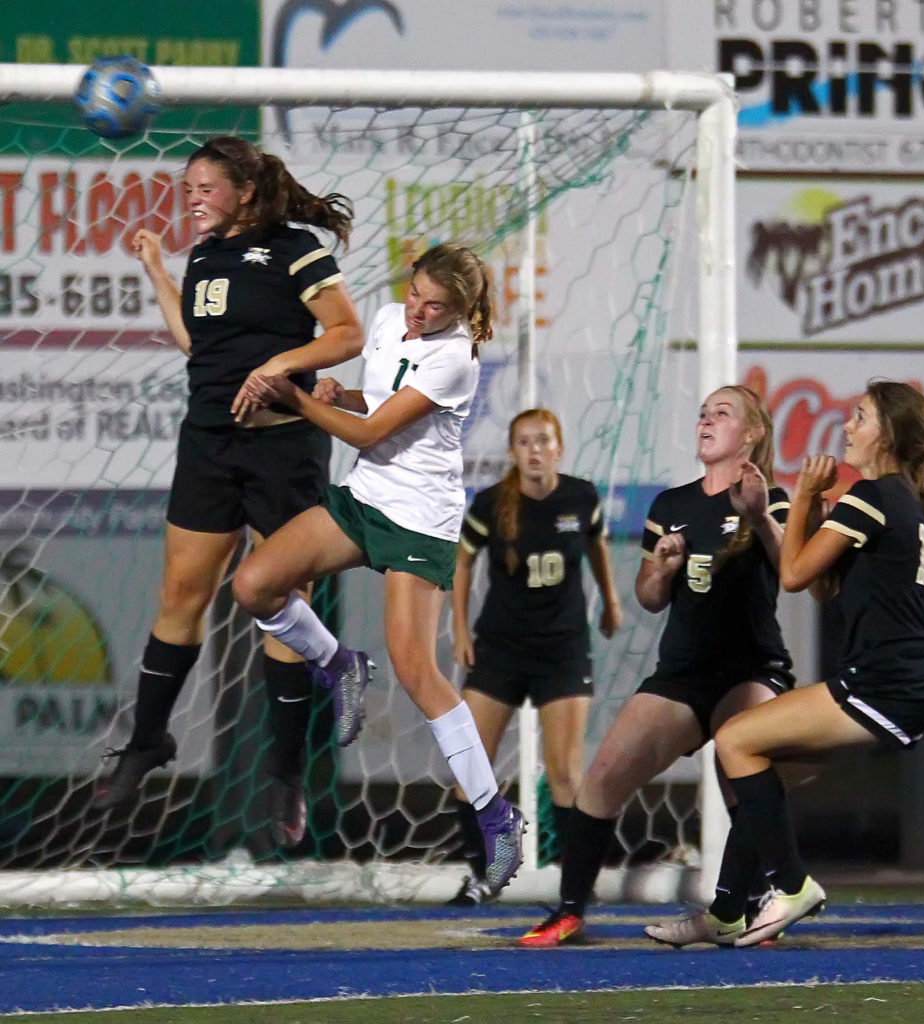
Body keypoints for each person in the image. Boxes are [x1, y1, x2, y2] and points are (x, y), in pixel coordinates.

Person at [93, 136, 364, 853]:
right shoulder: (204, 256)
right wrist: (157, 271)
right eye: (187, 189)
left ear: (245, 189)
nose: (192, 198)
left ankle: (283, 771)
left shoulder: (294, 248)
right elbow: (198, 343)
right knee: (180, 595)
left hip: (283, 448)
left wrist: (281, 364)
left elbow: (345, 332)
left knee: (278, 601)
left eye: (205, 186)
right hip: (209, 442)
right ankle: (147, 743)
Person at [230, 243, 526, 897]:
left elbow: (369, 433)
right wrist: (343, 392)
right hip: (366, 499)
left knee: (417, 671)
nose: (417, 310)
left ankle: (494, 814)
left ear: (463, 310)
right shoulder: (392, 318)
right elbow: (380, 405)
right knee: (255, 584)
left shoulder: (455, 358)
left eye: (435, 305)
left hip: (418, 520)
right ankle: (338, 663)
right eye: (415, 293)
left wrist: (300, 398)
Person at [519, 385, 795, 948]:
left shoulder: (774, 498)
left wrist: (760, 517)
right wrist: (661, 570)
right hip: (684, 674)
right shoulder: (671, 505)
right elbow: (648, 596)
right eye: (702, 413)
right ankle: (570, 910)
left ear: (752, 433)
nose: (706, 421)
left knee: (745, 776)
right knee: (601, 780)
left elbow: (794, 569)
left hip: (752, 669)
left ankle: (750, 902)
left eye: (722, 413)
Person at [705, 380, 924, 947]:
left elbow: (793, 577)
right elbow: (822, 587)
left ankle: (792, 884)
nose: (846, 426)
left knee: (733, 741)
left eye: (860, 416)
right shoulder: (897, 499)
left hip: (882, 684)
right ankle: (728, 909)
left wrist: (800, 499)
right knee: (756, 772)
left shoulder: (871, 496)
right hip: (904, 687)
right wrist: (796, 515)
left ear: (888, 435)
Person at [446, 408, 623, 906]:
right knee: (470, 763)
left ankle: (575, 886)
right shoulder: (490, 504)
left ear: (559, 447)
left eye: (543, 440)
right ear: (513, 452)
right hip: (501, 646)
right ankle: (484, 873)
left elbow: (596, 547)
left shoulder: (581, 496)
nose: (535, 450)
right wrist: (460, 628)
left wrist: (610, 602)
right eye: (524, 442)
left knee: (565, 770)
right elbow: (461, 561)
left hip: (563, 647)